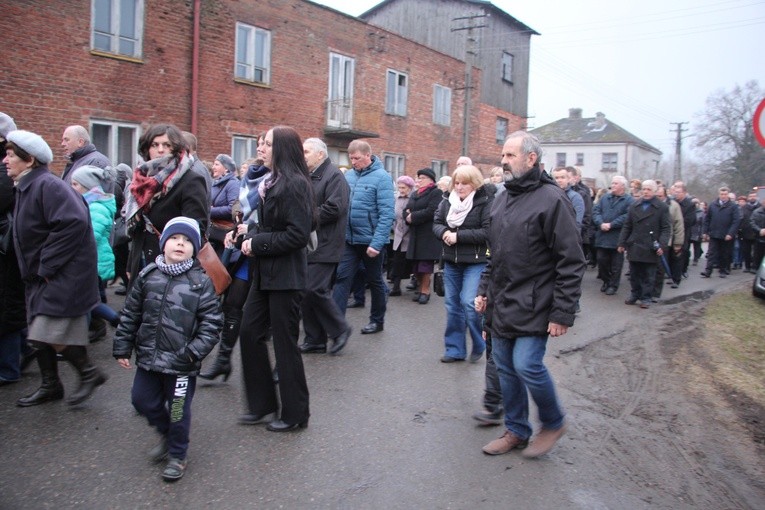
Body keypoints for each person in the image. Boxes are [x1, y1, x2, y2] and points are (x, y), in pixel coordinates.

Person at [476, 131, 585, 458]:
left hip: (537, 301)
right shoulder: (501, 198)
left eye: (510, 155)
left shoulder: (553, 199)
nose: (504, 161)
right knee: (505, 368)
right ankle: (517, 430)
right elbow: (494, 253)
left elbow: (572, 259)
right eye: (504, 155)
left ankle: (553, 422)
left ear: (531, 158)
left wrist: (562, 312)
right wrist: (484, 291)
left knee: (527, 365)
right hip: (503, 299)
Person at [114, 216, 223, 482]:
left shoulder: (200, 282)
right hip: (149, 358)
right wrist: (123, 346)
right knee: (142, 400)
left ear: (194, 248)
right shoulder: (148, 275)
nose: (180, 244)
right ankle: (166, 432)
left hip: (182, 362)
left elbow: (212, 323)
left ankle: (177, 453)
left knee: (177, 409)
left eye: (187, 241)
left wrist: (193, 351)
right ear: (163, 243)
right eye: (174, 238)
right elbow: (131, 313)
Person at [5, 130, 107, 407]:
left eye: (11, 155)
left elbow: (73, 223)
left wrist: (45, 264)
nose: (5, 160)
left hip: (60, 274)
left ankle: (89, 373)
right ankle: (51, 385)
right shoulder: (27, 186)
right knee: (38, 334)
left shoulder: (47, 185)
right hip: (42, 275)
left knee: (44, 331)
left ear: (29, 160)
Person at [238, 126, 315, 431]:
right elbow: (273, 225)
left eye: (268, 144)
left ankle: (296, 414)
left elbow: (297, 235)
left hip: (286, 276)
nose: (262, 149)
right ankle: (262, 404)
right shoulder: (271, 183)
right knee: (249, 332)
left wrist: (257, 243)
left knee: (285, 345)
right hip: (265, 274)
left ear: (281, 149)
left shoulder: (295, 184)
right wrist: (247, 233)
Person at [200, 135, 269, 381]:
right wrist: (234, 230)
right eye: (259, 143)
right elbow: (239, 212)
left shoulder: (283, 178)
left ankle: (276, 371)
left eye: (267, 144)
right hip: (244, 252)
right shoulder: (250, 177)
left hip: (270, 253)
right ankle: (223, 361)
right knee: (231, 305)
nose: (260, 148)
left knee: (267, 317)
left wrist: (251, 232)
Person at [123, 124, 210, 285]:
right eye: (155, 145)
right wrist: (131, 263)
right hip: (141, 259)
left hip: (173, 266)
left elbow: (196, 226)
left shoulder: (190, 179)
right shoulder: (140, 180)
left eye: (167, 145)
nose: (160, 150)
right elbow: (138, 228)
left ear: (176, 149)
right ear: (146, 149)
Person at [332, 140, 395, 335]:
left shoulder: (382, 178)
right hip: (350, 240)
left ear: (368, 155)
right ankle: (336, 325)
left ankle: (377, 321)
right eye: (351, 159)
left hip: (371, 241)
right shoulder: (349, 176)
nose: (353, 162)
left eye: (357, 158)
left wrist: (377, 243)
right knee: (342, 278)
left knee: (374, 280)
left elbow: (387, 214)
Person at [298, 137, 352, 355]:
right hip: (309, 243)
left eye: (306, 151)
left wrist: (304, 218)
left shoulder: (335, 176)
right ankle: (315, 339)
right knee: (305, 291)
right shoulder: (310, 176)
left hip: (326, 243)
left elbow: (334, 208)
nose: (302, 155)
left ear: (320, 154)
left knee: (314, 288)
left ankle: (340, 329)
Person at [433, 164, 491, 363]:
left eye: (464, 183)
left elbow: (488, 232)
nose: (459, 187)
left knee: (468, 302)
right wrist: (444, 233)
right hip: (451, 260)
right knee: (452, 306)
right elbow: (437, 223)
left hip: (476, 261)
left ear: (474, 184)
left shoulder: (485, 202)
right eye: (456, 183)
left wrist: (459, 236)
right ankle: (455, 349)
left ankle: (479, 341)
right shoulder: (447, 201)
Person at [70, 165, 121, 327]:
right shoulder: (88, 204)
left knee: (89, 301)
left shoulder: (95, 207)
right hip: (94, 261)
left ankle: (117, 320)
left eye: (75, 184)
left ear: (87, 187)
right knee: (93, 299)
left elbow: (91, 235)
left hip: (95, 262)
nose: (71, 188)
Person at [0, 114, 29, 386]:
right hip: (11, 248)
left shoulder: (8, 173)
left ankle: (9, 368)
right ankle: (27, 348)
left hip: (8, 249)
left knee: (8, 306)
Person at [617, 180, 671, 309]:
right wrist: (622, 242)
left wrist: (662, 245)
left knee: (649, 274)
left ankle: (646, 297)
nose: (646, 192)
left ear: (654, 191)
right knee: (634, 273)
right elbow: (627, 225)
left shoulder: (662, 207)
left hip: (651, 245)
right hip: (635, 244)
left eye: (649, 189)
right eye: (644, 189)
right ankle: (635, 294)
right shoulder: (634, 205)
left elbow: (666, 228)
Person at [405, 168, 443, 304]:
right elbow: (406, 209)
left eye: (422, 178)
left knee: (425, 265)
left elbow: (432, 210)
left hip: (428, 235)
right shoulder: (415, 194)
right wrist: (407, 216)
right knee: (416, 265)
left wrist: (412, 216)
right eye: (418, 177)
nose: (418, 180)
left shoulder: (436, 192)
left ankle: (425, 291)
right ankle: (420, 288)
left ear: (431, 180)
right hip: (415, 234)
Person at [592, 176, 633, 295]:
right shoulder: (605, 198)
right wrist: (600, 223)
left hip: (617, 237)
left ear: (622, 186)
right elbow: (596, 211)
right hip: (603, 236)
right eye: (612, 183)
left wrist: (612, 224)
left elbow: (627, 217)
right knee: (601, 260)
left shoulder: (629, 200)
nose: (612, 185)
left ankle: (613, 285)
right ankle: (606, 281)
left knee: (616, 264)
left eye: (615, 183)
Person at [701, 186, 741, 278]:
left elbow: (736, 221)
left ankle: (723, 270)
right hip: (714, 233)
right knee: (711, 253)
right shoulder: (713, 205)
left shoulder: (733, 206)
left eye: (725, 194)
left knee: (724, 253)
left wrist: (730, 233)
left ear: (728, 195)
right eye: (722, 194)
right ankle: (708, 271)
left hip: (726, 235)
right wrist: (705, 232)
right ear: (719, 195)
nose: (723, 196)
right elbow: (707, 219)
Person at [208, 154, 240, 256]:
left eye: (217, 164)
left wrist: (210, 211)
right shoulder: (215, 183)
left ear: (226, 169)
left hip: (223, 234)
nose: (213, 167)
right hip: (213, 231)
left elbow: (233, 209)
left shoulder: (232, 184)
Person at [389, 175, 415, 296]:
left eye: (403, 187)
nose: (401, 190)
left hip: (410, 234)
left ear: (410, 187)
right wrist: (394, 228)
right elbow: (392, 214)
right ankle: (396, 287)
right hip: (398, 233)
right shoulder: (395, 198)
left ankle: (418, 283)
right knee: (397, 260)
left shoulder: (414, 198)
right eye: (399, 187)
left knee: (412, 261)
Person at [669, 181, 697, 279]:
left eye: (678, 192)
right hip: (672, 231)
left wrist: (678, 222)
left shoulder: (690, 204)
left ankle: (681, 271)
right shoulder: (672, 203)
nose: (676, 194)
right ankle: (672, 273)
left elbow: (691, 220)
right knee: (671, 253)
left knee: (682, 253)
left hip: (684, 232)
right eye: (675, 192)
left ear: (684, 193)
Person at [750, 194, 765, 270]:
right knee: (757, 254)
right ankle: (755, 268)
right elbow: (752, 223)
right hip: (759, 237)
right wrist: (759, 230)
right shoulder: (756, 212)